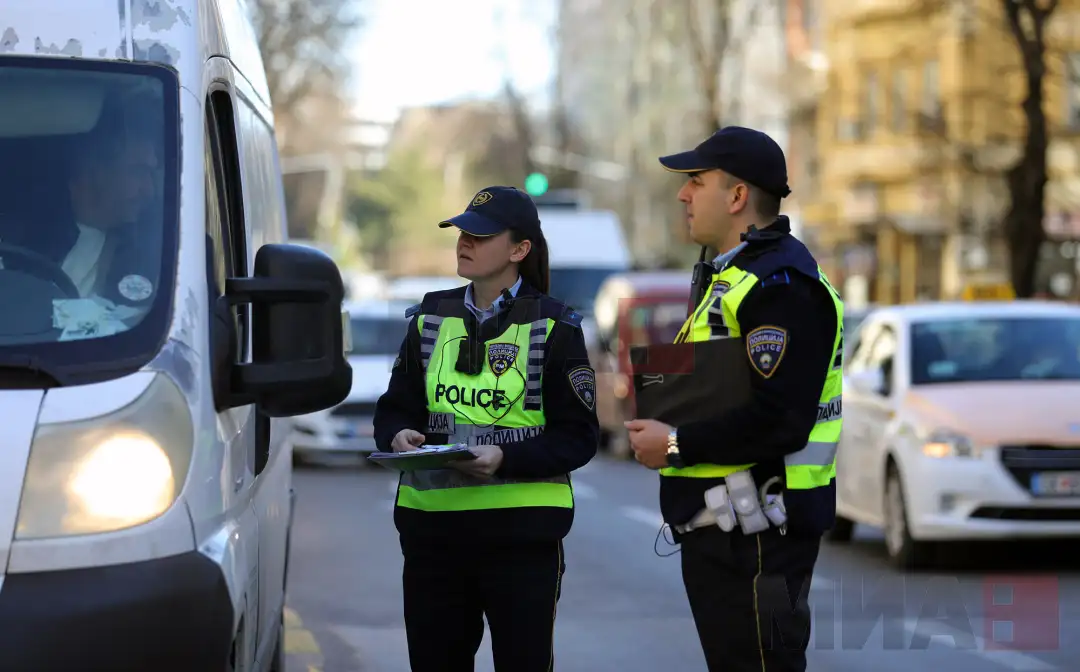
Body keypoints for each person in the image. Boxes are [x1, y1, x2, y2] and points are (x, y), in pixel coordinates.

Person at [624, 126, 844, 672]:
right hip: (732, 529)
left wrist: (674, 443)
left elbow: (781, 420)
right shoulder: (738, 275)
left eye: (696, 181)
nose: (683, 194)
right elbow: (723, 386)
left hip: (761, 534)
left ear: (738, 196)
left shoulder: (781, 284)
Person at [373, 185, 599, 672]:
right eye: (461, 232)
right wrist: (397, 435)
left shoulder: (556, 327)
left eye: (481, 234)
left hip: (521, 542)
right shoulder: (430, 317)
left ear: (520, 251)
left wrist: (506, 459)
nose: (464, 242)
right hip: (433, 539)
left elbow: (578, 437)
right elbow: (393, 408)